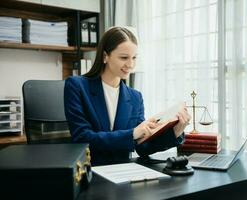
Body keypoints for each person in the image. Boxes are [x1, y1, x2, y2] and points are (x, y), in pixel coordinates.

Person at [64, 27, 191, 166]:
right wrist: (133, 133)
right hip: (90, 171)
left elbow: (142, 147)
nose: (130, 64)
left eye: (134, 58)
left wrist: (175, 132)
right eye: (124, 57)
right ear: (105, 56)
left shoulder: (135, 97)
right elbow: (82, 138)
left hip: (124, 172)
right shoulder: (77, 86)